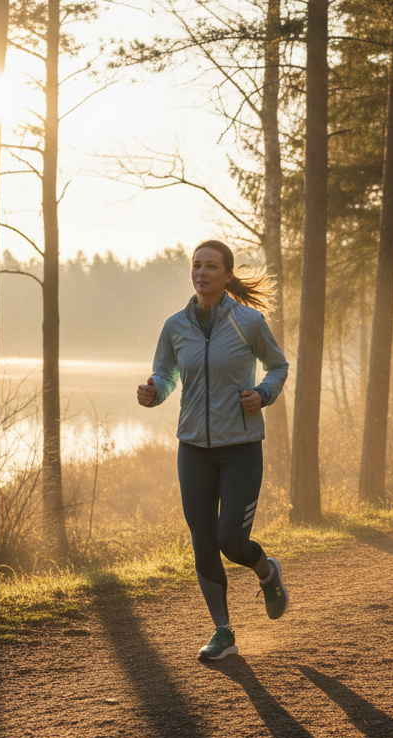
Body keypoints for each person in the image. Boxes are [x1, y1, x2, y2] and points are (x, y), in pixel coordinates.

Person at [137, 239, 290, 661]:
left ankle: (267, 571)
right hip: (193, 450)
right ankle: (223, 632)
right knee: (203, 540)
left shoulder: (248, 322)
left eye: (210, 266)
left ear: (227, 274)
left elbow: (278, 366)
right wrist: (155, 392)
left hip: (240, 449)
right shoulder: (175, 326)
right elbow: (165, 374)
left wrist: (263, 393)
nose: (201, 273)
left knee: (231, 542)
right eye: (196, 266)